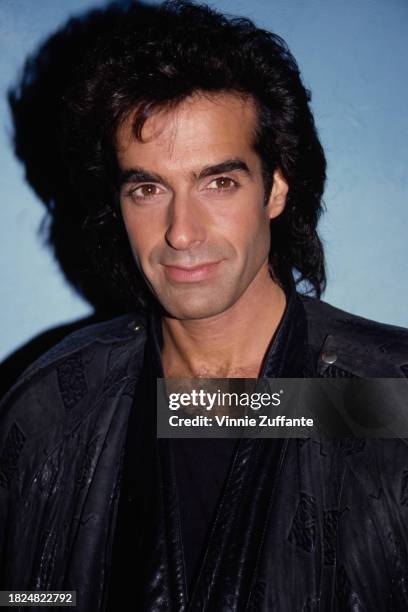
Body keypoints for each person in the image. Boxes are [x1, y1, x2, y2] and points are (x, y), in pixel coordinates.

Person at [1, 1, 407, 610]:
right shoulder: (52, 407)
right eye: (148, 188)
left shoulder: (388, 398)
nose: (181, 232)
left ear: (275, 188)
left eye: (219, 182)